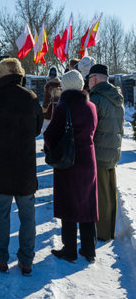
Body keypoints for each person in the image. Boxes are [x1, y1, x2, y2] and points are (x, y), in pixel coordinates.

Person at [0, 58, 43, 275]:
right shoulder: (30, 97)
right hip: (25, 166)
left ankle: (0, 257)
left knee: (0, 214)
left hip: (1, 166)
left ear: (1, 75)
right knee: (27, 215)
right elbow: (37, 128)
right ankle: (26, 260)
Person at [44, 70, 98, 263]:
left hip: (69, 161)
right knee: (87, 203)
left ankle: (70, 251)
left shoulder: (63, 107)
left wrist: (51, 150)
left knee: (69, 204)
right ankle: (89, 249)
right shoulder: (91, 106)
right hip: (88, 160)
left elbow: (49, 135)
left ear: (64, 86)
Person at [88, 64, 125, 241]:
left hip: (99, 152)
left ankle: (102, 233)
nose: (88, 83)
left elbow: (90, 128)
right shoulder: (117, 97)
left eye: (88, 79)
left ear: (94, 78)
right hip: (113, 150)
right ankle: (109, 230)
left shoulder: (96, 98)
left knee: (101, 195)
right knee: (110, 192)